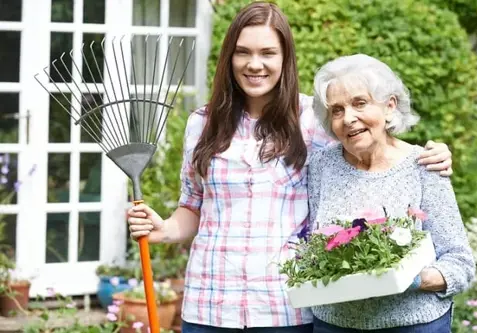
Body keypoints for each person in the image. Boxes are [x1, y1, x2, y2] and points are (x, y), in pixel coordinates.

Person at [127, 2, 453, 332]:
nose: (254, 64)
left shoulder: (315, 120)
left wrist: (428, 155)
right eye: (243, 52)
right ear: (230, 58)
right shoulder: (202, 123)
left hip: (286, 307)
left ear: (285, 59)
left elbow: (371, 154)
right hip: (209, 305)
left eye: (268, 52)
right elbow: (193, 206)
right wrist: (165, 229)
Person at [307, 54, 475, 333]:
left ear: (389, 107)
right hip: (334, 325)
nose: (348, 118)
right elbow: (314, 247)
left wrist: (410, 279)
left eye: (360, 103)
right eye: (336, 110)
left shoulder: (425, 165)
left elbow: (460, 262)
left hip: (414, 325)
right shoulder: (322, 165)